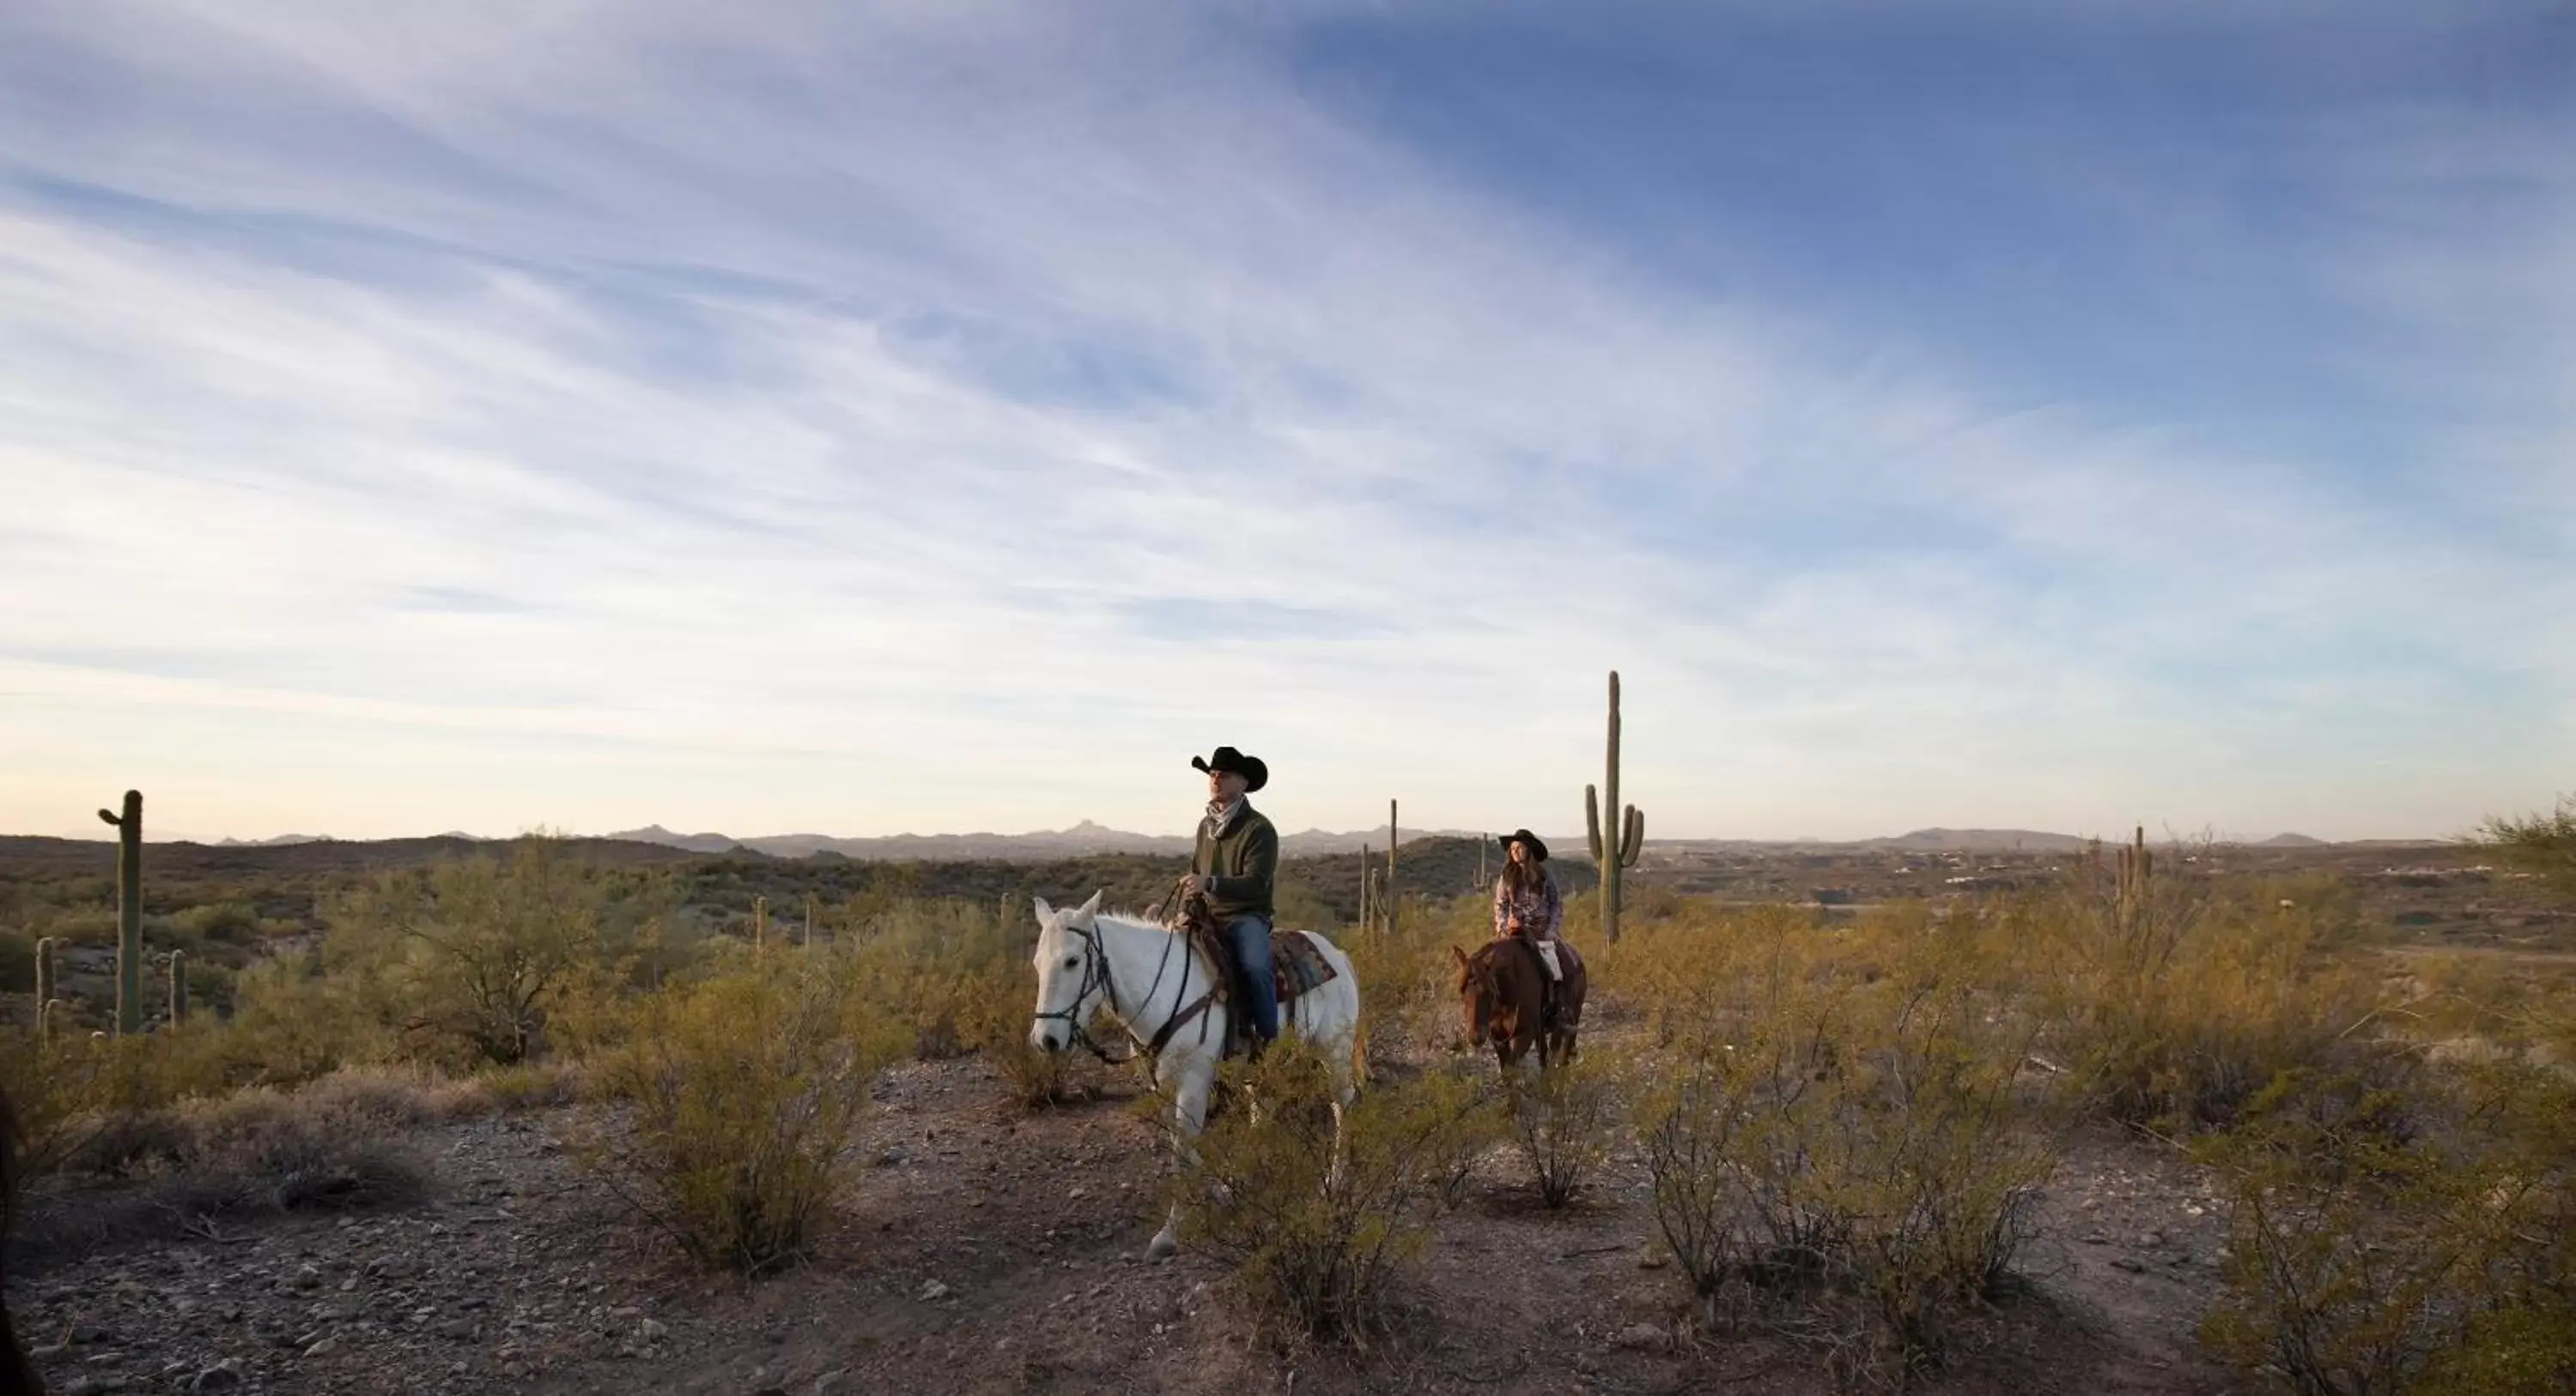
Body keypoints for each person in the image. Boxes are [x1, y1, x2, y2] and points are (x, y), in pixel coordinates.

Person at [1185, 746, 1281, 1054]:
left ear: (1242, 783)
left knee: (1255, 966)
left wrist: (1210, 883)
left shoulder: (1259, 829)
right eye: (1212, 774)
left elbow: (1255, 884)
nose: (1215, 779)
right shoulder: (1206, 826)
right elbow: (1198, 871)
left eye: (1223, 775)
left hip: (1246, 915)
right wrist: (1193, 893)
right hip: (1209, 916)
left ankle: (1268, 1043)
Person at [1492, 828, 1565, 1020]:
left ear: (1529, 850)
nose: (1515, 851)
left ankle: (1555, 1010)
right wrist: (1501, 925)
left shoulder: (1545, 876)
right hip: (1513, 931)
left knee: (1555, 970)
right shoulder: (1506, 876)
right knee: (1492, 966)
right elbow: (1501, 904)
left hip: (1541, 931)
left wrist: (1552, 929)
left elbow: (1556, 903)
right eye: (1513, 848)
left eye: (1519, 847)